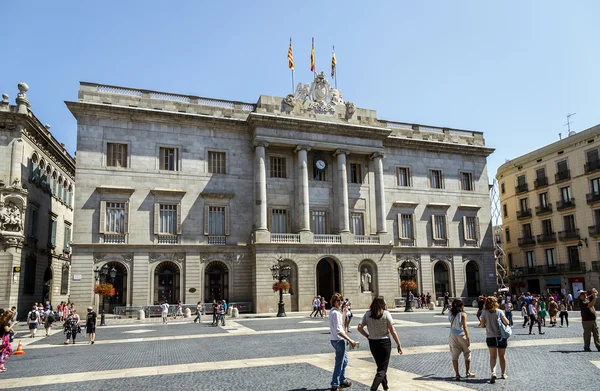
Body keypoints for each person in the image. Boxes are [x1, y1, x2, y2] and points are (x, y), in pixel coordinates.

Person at [357, 296, 402, 391]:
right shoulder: (386, 314)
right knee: (382, 369)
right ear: (382, 304)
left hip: (373, 342)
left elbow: (359, 327)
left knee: (380, 365)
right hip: (384, 342)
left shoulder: (367, 314)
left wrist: (367, 335)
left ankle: (385, 386)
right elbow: (393, 331)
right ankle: (373, 388)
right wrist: (398, 344)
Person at [328, 293, 357, 391]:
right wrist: (350, 340)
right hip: (339, 341)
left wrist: (344, 312)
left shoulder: (335, 312)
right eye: (338, 300)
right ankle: (335, 384)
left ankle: (342, 380)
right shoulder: (335, 313)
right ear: (333, 301)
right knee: (339, 363)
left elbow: (342, 324)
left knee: (344, 361)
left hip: (335, 340)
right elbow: (339, 330)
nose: (340, 302)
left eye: (341, 300)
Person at [480, 296, 510, 384]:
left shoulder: (484, 312)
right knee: (502, 356)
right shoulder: (500, 311)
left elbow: (482, 325)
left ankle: (493, 372)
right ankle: (503, 374)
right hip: (501, 337)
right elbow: (507, 322)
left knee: (492, 356)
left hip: (490, 337)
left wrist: (488, 325)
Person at [447, 299, 475, 381]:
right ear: (461, 306)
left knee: (454, 355)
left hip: (452, 335)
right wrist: (468, 338)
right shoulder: (463, 314)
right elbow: (465, 327)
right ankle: (468, 372)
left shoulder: (450, 313)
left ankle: (457, 374)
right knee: (467, 353)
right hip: (461, 335)